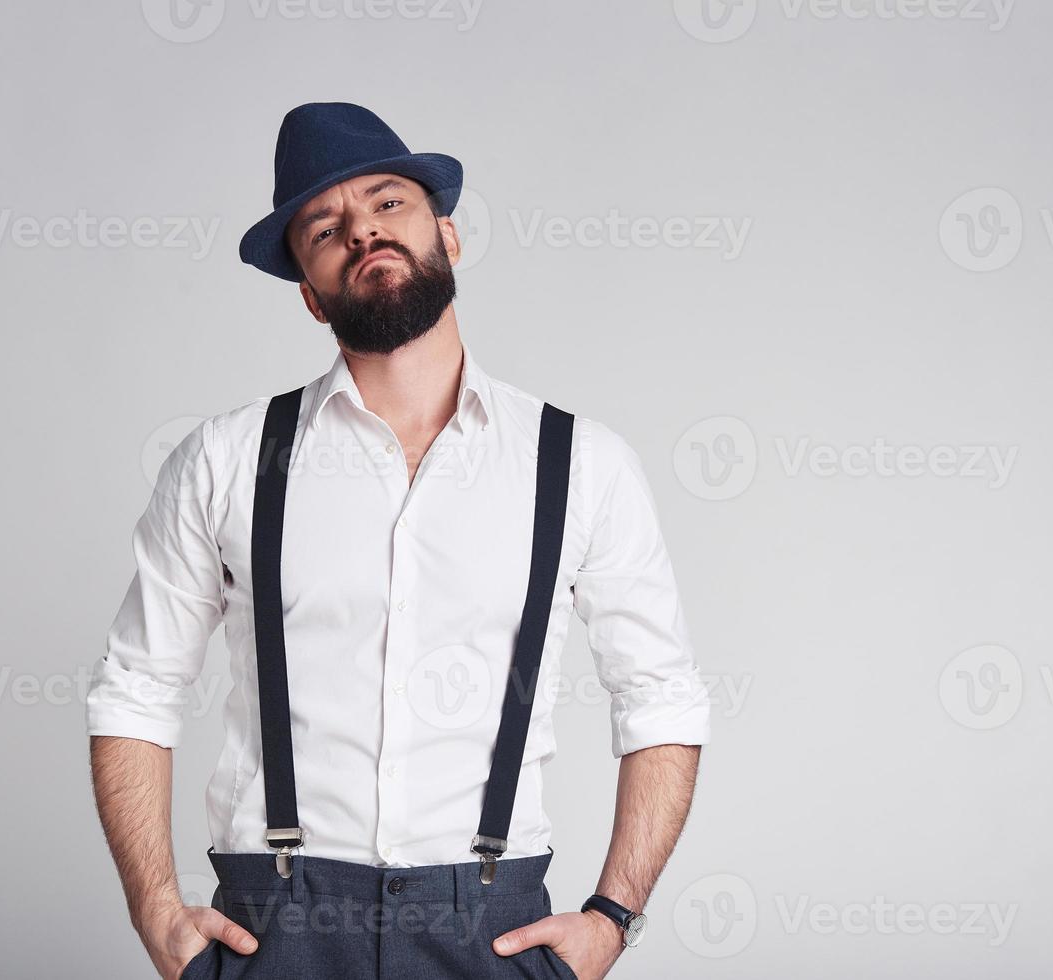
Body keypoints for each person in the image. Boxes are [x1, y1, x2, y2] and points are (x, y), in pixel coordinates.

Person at [86, 101, 712, 980]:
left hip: (490, 922)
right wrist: (155, 910)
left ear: (446, 236)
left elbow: (661, 698)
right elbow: (135, 691)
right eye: (325, 227)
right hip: (277, 924)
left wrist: (612, 916)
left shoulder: (580, 463)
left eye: (388, 204)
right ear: (307, 290)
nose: (362, 234)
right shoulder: (225, 460)